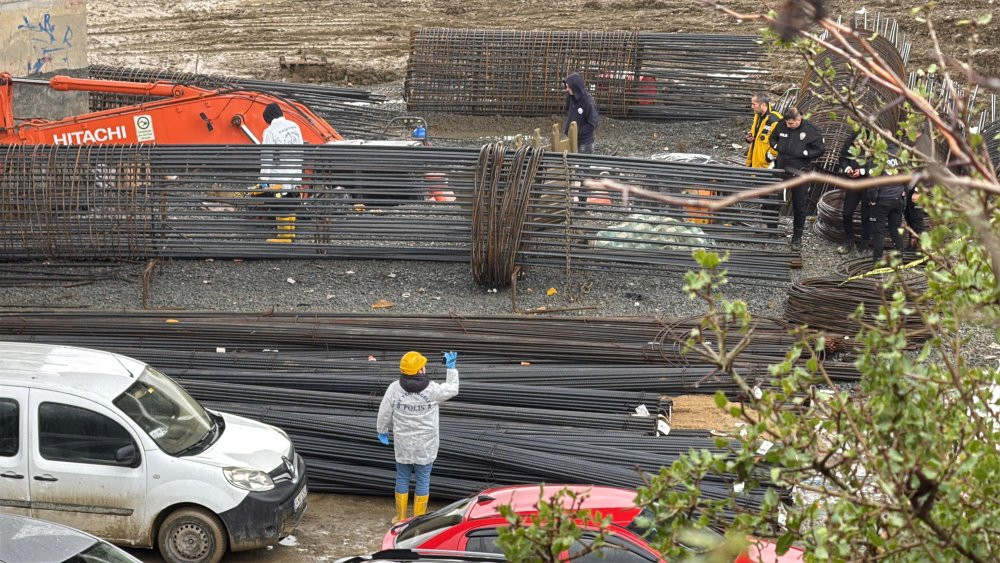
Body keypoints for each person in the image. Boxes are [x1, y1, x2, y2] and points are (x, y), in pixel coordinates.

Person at [377, 350, 460, 524]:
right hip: (426, 445)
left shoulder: (394, 388)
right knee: (423, 480)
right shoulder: (432, 390)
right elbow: (452, 389)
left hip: (403, 444)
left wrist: (382, 430)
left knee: (402, 477)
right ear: (419, 370)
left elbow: (384, 411)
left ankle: (400, 518)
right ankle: (417, 521)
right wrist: (451, 368)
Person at [768, 107, 826, 251]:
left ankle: (797, 237)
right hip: (781, 170)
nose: (788, 126)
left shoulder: (812, 130)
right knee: (772, 202)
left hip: (800, 172)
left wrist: (805, 153)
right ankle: (772, 233)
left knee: (799, 206)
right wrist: (777, 146)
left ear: (799, 119)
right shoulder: (781, 124)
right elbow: (772, 137)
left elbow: (820, 149)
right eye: (787, 123)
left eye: (791, 124)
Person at [865, 143, 906, 265]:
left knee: (879, 231)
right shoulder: (902, 154)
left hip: (882, 199)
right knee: (895, 229)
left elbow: (873, 182)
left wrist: (872, 199)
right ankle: (899, 257)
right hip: (897, 198)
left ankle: (877, 259)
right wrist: (904, 191)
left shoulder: (879, 156)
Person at [835, 131, 872, 255]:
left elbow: (878, 166)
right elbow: (842, 158)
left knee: (866, 216)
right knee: (847, 213)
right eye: (854, 143)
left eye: (859, 143)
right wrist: (847, 168)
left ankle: (865, 243)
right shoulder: (849, 142)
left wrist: (861, 171)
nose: (856, 145)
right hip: (853, 183)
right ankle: (849, 240)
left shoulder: (874, 146)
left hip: (868, 183)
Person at [260, 102, 305, 193]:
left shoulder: (270, 131)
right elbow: (301, 151)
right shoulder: (294, 125)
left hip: (278, 177)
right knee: (293, 203)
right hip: (295, 175)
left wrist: (263, 180)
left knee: (278, 204)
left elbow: (267, 158)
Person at [562, 73, 600, 154]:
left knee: (582, 166)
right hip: (571, 139)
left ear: (575, 87)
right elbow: (568, 112)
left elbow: (593, 123)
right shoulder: (571, 97)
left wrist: (577, 131)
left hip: (584, 143)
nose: (567, 89)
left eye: (569, 87)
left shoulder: (588, 102)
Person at [745, 93, 783, 168]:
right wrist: (748, 138)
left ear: (763, 105)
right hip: (754, 161)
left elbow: (781, 141)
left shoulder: (775, 119)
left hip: (766, 166)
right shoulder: (758, 115)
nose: (751, 107)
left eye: (754, 104)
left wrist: (768, 158)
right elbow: (756, 135)